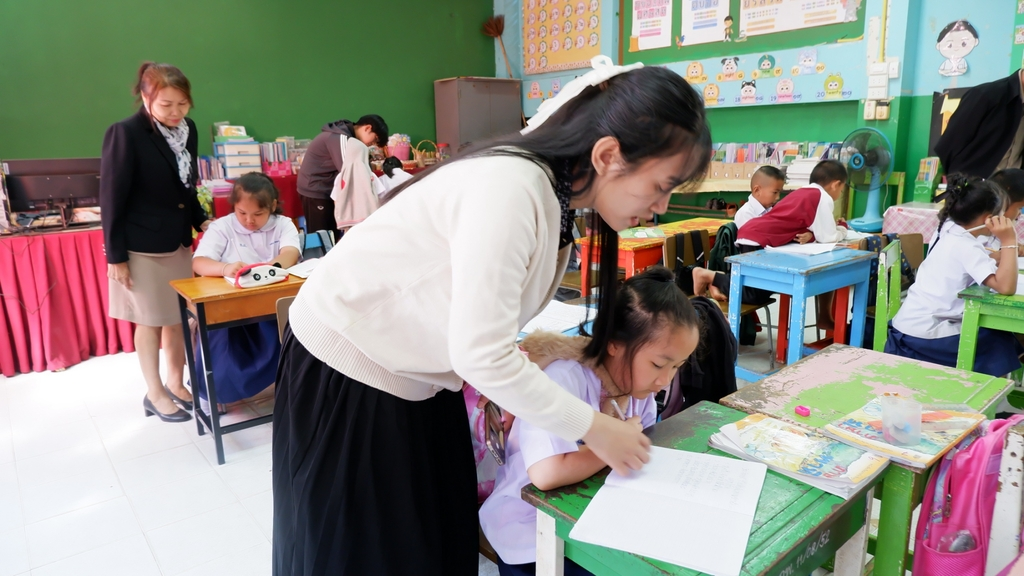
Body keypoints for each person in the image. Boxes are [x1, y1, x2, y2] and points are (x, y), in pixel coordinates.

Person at [271, 56, 711, 576]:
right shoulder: (512, 186)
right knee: (366, 554)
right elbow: (481, 354)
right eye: (661, 185)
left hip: (420, 381)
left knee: (435, 544)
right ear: (608, 155)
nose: (661, 206)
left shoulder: (554, 196)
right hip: (353, 378)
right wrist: (595, 428)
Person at [479, 267, 699, 576]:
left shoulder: (639, 389)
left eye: (677, 367)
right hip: (528, 531)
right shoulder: (564, 378)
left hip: (590, 515)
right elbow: (546, 474)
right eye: (658, 364)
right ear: (614, 343)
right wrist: (619, 439)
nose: (665, 380)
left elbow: (642, 447)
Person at [101, 62, 211, 423]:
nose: (176, 112)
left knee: (177, 318)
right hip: (141, 247)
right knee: (149, 321)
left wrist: (201, 220)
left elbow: (186, 186)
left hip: (177, 243)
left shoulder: (188, 130)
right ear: (146, 98)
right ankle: (154, 393)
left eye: (183, 104)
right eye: (166, 105)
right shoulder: (125, 133)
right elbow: (111, 198)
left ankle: (175, 382)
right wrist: (116, 256)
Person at [885, 174, 1022, 377]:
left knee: (999, 338)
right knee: (999, 340)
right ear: (988, 218)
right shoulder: (967, 246)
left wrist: (1001, 254)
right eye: (1001, 214)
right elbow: (1006, 287)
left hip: (908, 327)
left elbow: (980, 261)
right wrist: (1009, 240)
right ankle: (985, 393)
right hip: (923, 337)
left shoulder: (952, 231)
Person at [191, 173, 300, 410]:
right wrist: (225, 268)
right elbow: (199, 262)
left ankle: (291, 387)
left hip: (271, 303)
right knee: (218, 334)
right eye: (242, 213)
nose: (249, 221)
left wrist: (270, 269)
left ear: (272, 206)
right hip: (232, 306)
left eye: (258, 214)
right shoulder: (222, 227)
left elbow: (290, 252)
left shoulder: (283, 224)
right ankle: (216, 393)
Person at [691, 159, 849, 303]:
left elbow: (801, 228)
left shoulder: (805, 192)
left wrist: (812, 235)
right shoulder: (823, 197)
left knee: (760, 290)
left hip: (755, 239)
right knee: (755, 294)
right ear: (835, 185)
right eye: (841, 190)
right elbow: (828, 237)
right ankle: (708, 276)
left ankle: (715, 279)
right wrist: (843, 228)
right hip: (755, 241)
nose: (840, 194)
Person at [296, 115, 388, 237]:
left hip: (324, 189)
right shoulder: (341, 138)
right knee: (322, 238)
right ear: (367, 128)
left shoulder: (344, 135)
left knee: (331, 237)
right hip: (316, 191)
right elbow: (350, 173)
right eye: (374, 139)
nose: (372, 144)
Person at [935, 70, 1024, 178]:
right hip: (973, 184)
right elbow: (949, 143)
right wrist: (959, 180)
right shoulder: (985, 94)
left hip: (1011, 185)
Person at [733, 165, 786, 229]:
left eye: (779, 192)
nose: (778, 197)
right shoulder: (745, 214)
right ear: (757, 190)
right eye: (775, 192)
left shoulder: (770, 210)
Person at [986, 169, 1024, 256]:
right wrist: (993, 258)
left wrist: (1017, 247)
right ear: (1003, 203)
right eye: (1019, 208)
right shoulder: (977, 230)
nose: (1019, 214)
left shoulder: (998, 229)